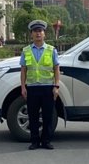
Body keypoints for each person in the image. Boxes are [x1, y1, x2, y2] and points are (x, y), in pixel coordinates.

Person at [20, 19, 60, 150]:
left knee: (48, 116)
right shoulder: (26, 51)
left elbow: (56, 69)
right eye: (35, 31)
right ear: (31, 34)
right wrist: (23, 87)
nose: (38, 34)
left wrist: (56, 86)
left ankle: (46, 141)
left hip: (48, 88)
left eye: (40, 31)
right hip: (32, 88)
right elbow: (23, 70)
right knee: (33, 116)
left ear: (44, 34)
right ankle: (35, 141)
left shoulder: (51, 50)